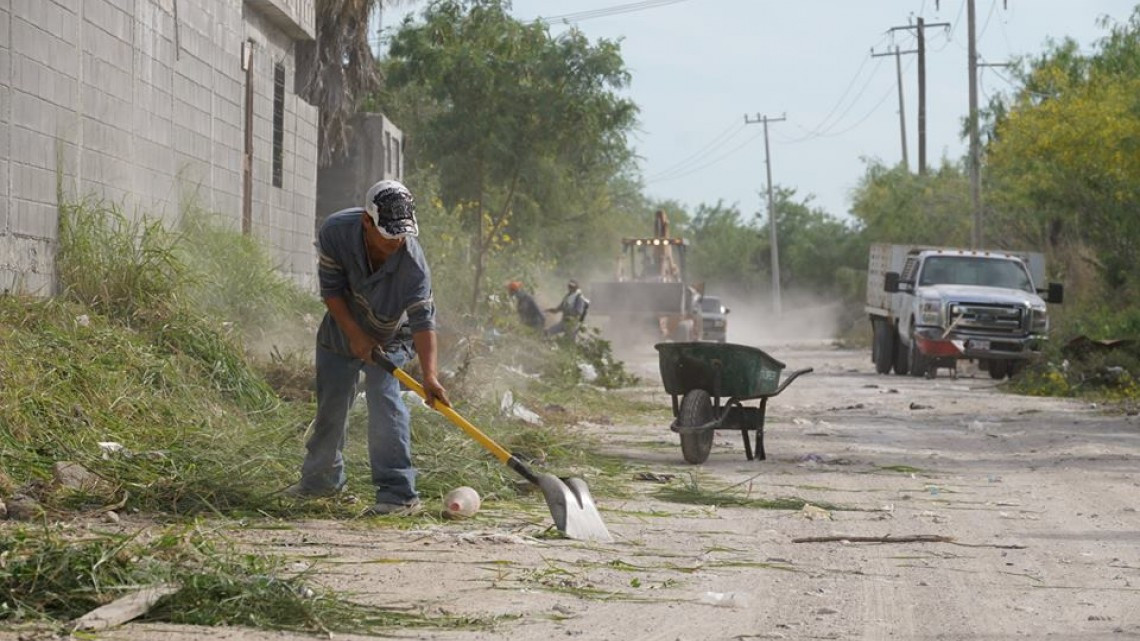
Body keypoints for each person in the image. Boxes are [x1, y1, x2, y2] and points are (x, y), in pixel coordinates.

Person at [288, 179, 448, 517]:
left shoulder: (413, 266)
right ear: (367, 221)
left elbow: (423, 322)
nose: (396, 243)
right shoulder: (336, 233)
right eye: (388, 236)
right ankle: (321, 482)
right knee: (331, 403)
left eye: (402, 236)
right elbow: (331, 291)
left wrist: (430, 376)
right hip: (343, 324)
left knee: (382, 393)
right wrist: (356, 335)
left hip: (394, 334)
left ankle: (399, 495)